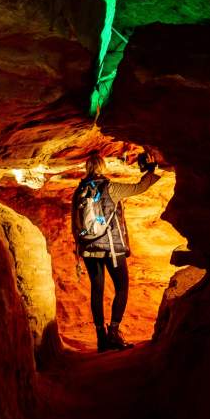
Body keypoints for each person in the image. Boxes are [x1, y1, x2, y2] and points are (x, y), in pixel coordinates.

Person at [71, 149, 161, 352]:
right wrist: (150, 170)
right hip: (111, 247)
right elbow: (139, 187)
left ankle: (101, 338)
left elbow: (75, 223)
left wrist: (78, 249)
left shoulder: (79, 191)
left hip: (89, 248)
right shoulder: (110, 187)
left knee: (97, 289)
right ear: (103, 167)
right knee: (121, 287)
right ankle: (114, 332)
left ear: (87, 168)